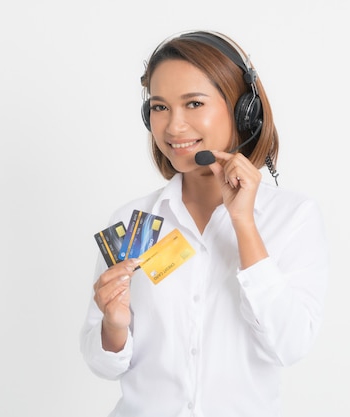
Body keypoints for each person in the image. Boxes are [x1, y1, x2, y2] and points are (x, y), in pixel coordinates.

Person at [80, 30, 328, 417]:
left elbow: (290, 346)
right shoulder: (132, 221)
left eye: (193, 103)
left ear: (243, 110)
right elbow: (102, 363)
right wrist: (114, 324)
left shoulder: (293, 217)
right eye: (160, 107)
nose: (174, 126)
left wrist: (243, 222)